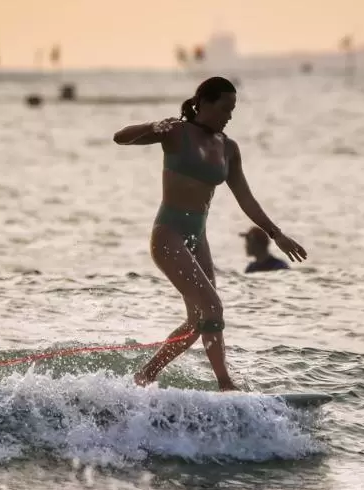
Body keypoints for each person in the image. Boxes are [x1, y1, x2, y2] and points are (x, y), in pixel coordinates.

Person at [112, 76, 308, 391]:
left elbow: (246, 198)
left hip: (197, 237)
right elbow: (120, 137)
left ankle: (145, 376)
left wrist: (276, 233)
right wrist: (154, 126)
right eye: (225, 108)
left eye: (233, 109)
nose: (230, 115)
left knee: (197, 322)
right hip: (169, 234)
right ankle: (225, 384)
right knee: (212, 308)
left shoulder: (228, 148)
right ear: (204, 103)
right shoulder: (176, 132)